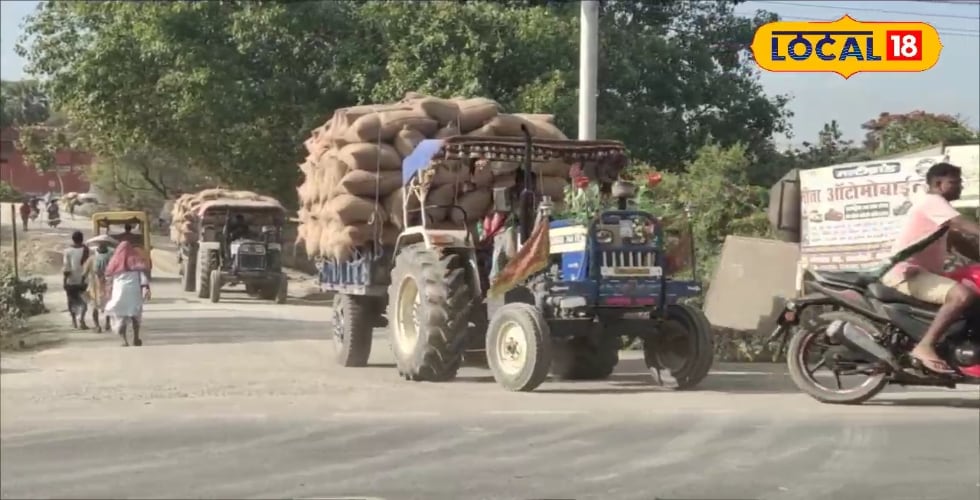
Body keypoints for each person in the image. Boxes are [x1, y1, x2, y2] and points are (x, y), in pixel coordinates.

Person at [881, 162, 980, 373]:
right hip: (907, 274)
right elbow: (963, 225)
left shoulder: (941, 216)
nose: (961, 186)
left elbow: (962, 243)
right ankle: (924, 346)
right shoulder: (932, 202)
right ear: (937, 183)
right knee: (962, 295)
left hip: (927, 275)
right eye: (955, 182)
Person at [103, 240, 151, 347]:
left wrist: (108, 291)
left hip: (119, 292)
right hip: (134, 292)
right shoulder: (136, 260)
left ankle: (124, 341)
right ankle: (136, 338)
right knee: (135, 315)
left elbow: (109, 278)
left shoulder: (114, 261)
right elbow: (143, 278)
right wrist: (146, 288)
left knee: (121, 316)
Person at [83, 235, 116, 333]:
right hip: (108, 286)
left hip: (94, 287)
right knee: (108, 305)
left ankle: (97, 326)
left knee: (94, 307)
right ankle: (107, 324)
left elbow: (84, 273)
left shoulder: (92, 259)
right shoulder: (112, 258)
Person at [62, 231, 91, 329]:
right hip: (83, 281)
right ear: (82, 239)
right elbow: (89, 265)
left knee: (71, 301)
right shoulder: (87, 250)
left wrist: (64, 281)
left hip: (71, 281)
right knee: (84, 301)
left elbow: (66, 267)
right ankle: (82, 319)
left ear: (73, 239)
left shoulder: (67, 251)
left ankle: (74, 321)